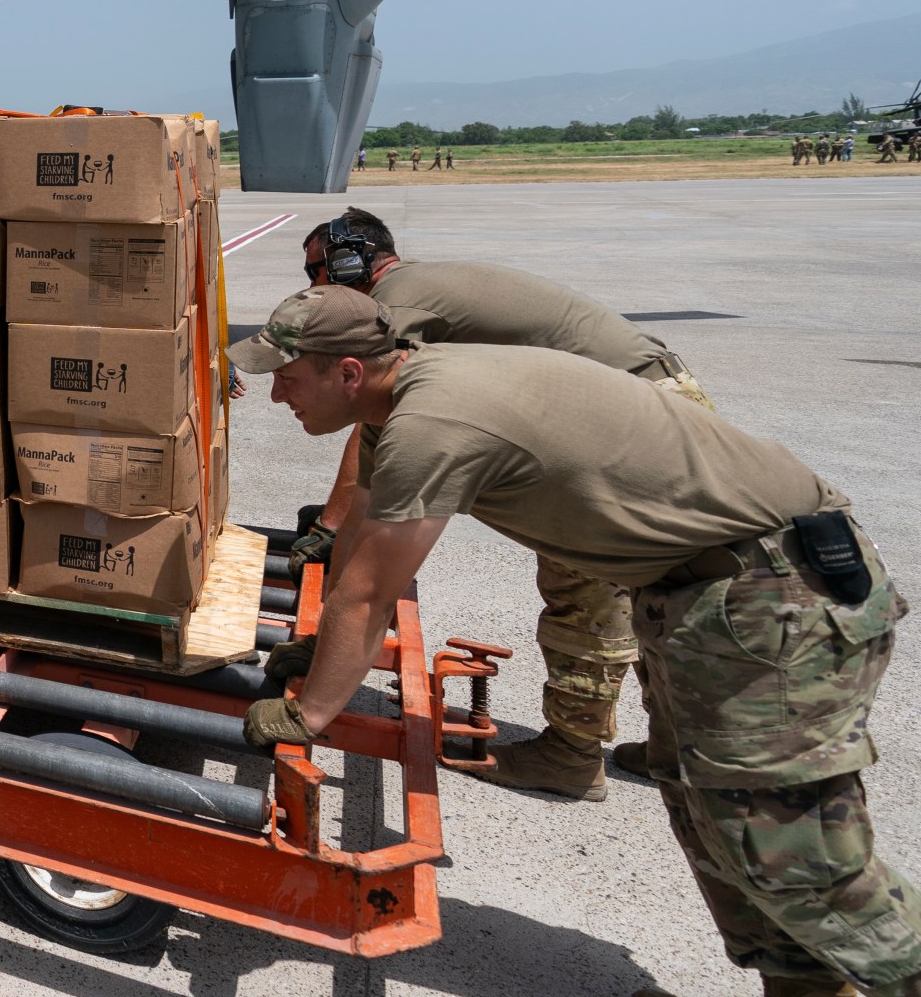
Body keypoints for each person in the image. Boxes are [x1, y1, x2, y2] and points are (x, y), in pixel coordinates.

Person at [231, 287, 914, 997]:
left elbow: (374, 592)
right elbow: (361, 537)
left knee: (804, 866)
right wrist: (323, 653)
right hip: (705, 598)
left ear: (347, 373)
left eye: (287, 375)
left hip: (774, 593)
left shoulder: (431, 421)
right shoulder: (393, 404)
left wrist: (311, 712)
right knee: (722, 829)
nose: (276, 395)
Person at [294, 209, 713, 801]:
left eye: (317, 271)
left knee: (586, 584)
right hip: (652, 403)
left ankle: (570, 757)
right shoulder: (416, 295)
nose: (313, 288)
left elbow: (370, 432)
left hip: (621, 427)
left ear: (349, 262)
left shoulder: (394, 309)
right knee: (657, 583)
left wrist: (337, 548)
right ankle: (675, 751)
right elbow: (375, 453)